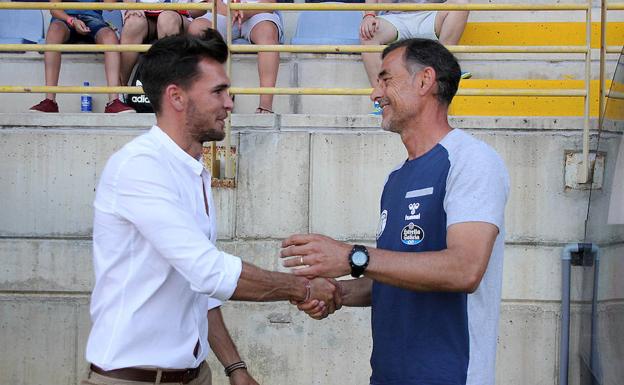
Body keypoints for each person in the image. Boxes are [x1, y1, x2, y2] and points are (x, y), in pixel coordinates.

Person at [83, 32, 339, 385]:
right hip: (132, 379)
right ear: (176, 96)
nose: (230, 103)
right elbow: (207, 271)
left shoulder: (193, 170)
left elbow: (198, 286)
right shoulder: (140, 167)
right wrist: (303, 289)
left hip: (195, 376)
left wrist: (234, 367)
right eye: (218, 91)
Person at [281, 38, 509, 385]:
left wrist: (353, 257)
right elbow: (397, 276)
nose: (375, 94)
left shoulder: (471, 160)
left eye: (386, 79)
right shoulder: (396, 178)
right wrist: (337, 293)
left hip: (451, 376)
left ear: (424, 81)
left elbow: (465, 269)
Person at [360, 0, 471, 114]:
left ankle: (444, 68)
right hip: (395, 17)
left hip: (431, 13)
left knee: (461, 3)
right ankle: (383, 99)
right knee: (368, 32)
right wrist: (369, 15)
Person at [29, 0, 135, 113]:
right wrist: (72, 20)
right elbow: (54, 9)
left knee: (110, 37)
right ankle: (49, 101)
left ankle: (114, 101)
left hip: (93, 19)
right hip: (65, 18)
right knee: (53, 32)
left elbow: (110, 6)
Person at [188, 0, 283, 114]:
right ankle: (211, 98)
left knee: (268, 32)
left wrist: (246, 11)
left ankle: (265, 106)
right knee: (197, 29)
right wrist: (227, 10)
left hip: (258, 12)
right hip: (221, 12)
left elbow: (270, 2)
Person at [119, 0, 206, 85]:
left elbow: (201, 9)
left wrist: (185, 9)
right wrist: (132, 6)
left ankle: (168, 86)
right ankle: (119, 90)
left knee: (167, 19)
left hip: (179, 17)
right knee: (133, 23)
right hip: (145, 15)